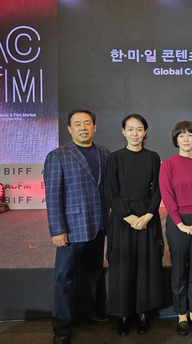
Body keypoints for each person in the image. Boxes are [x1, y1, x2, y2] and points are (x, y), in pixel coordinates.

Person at [44, 109, 111, 344]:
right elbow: (53, 196)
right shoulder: (58, 155)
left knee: (92, 273)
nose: (83, 127)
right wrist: (57, 230)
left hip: (98, 225)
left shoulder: (104, 152)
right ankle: (62, 326)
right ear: (69, 129)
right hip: (71, 229)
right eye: (77, 124)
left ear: (94, 127)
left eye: (87, 123)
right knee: (65, 277)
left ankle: (87, 313)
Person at [104, 114, 163, 336]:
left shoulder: (153, 157)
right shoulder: (115, 158)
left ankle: (143, 312)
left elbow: (158, 189)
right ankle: (124, 314)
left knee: (146, 265)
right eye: (130, 129)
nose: (135, 133)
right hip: (122, 219)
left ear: (145, 132)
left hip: (147, 217)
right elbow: (110, 192)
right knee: (122, 266)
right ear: (123, 132)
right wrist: (128, 216)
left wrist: (148, 215)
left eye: (139, 129)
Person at [159, 121, 192, 336]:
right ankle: (181, 313)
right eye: (181, 135)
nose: (186, 139)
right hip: (177, 222)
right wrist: (180, 223)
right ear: (176, 139)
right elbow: (167, 195)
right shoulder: (168, 164)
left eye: (190, 135)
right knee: (179, 269)